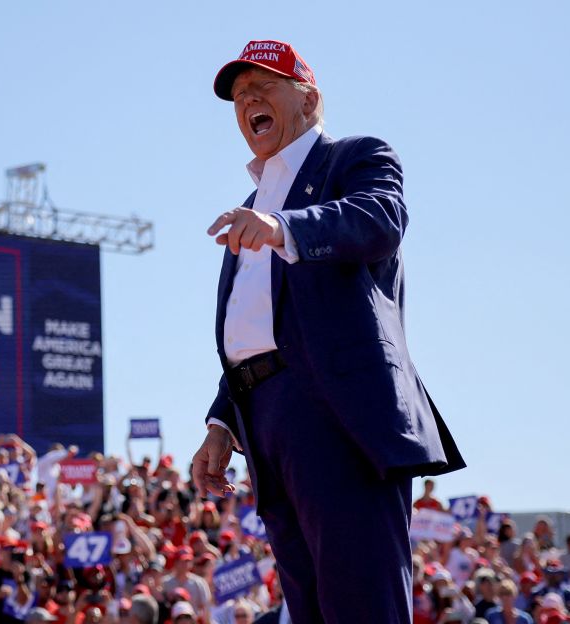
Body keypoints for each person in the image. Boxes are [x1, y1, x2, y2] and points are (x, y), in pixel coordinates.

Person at [191, 39, 465, 623]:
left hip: (338, 411)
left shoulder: (353, 158)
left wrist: (282, 226)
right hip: (264, 420)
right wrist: (222, 423)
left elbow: (380, 220)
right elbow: (257, 326)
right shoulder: (253, 202)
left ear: (309, 97)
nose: (248, 101)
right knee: (309, 609)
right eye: (239, 95)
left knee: (362, 602)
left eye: (264, 85)